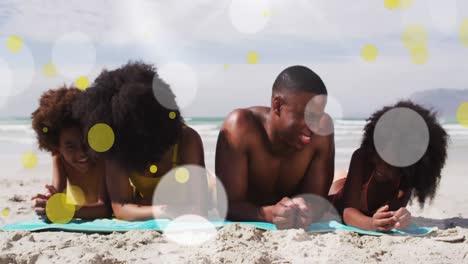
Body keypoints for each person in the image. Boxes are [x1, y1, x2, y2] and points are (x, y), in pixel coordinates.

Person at [73, 62, 207, 221]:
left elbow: (199, 208)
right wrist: (163, 210)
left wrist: (144, 207)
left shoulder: (187, 140)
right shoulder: (118, 145)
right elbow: (121, 208)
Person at [215, 65, 335, 229]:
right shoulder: (241, 127)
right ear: (277, 106)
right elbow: (228, 205)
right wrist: (269, 214)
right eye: (307, 116)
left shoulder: (322, 131)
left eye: (317, 117)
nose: (313, 127)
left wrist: (307, 210)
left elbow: (318, 201)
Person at [329, 101, 448, 231]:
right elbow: (347, 212)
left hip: (357, 185)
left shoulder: (406, 178)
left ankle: (343, 175)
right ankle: (342, 175)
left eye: (391, 163)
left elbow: (393, 214)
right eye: (379, 155)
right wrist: (371, 224)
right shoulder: (363, 158)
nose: (382, 166)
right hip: (338, 195)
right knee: (337, 185)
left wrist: (401, 218)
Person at [31, 86, 111, 220]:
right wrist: (47, 202)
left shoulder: (102, 158)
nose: (82, 153)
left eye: (86, 142)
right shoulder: (59, 159)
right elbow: (57, 195)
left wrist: (65, 211)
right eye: (71, 147)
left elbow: (106, 209)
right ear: (57, 147)